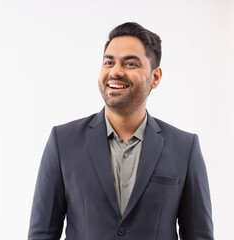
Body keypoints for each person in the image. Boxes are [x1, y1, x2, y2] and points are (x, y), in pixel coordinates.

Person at [28, 22, 214, 240]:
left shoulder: (185, 148)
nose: (115, 71)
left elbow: (199, 235)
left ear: (155, 77)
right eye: (109, 62)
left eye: (130, 63)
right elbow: (42, 234)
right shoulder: (63, 142)